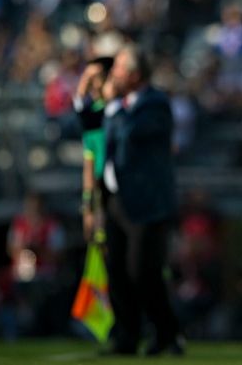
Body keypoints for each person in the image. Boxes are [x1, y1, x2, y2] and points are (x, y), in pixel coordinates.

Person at [79, 45, 183, 356]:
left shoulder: (155, 103)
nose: (113, 75)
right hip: (116, 201)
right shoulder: (119, 106)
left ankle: (167, 332)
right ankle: (127, 335)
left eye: (120, 70)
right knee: (117, 271)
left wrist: (111, 106)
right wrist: (86, 90)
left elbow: (130, 134)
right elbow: (88, 124)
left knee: (143, 272)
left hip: (146, 203)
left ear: (135, 76)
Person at [73, 56, 115, 241]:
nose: (92, 84)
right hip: (103, 190)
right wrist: (88, 204)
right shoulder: (92, 118)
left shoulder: (117, 110)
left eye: (97, 77)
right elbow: (89, 165)